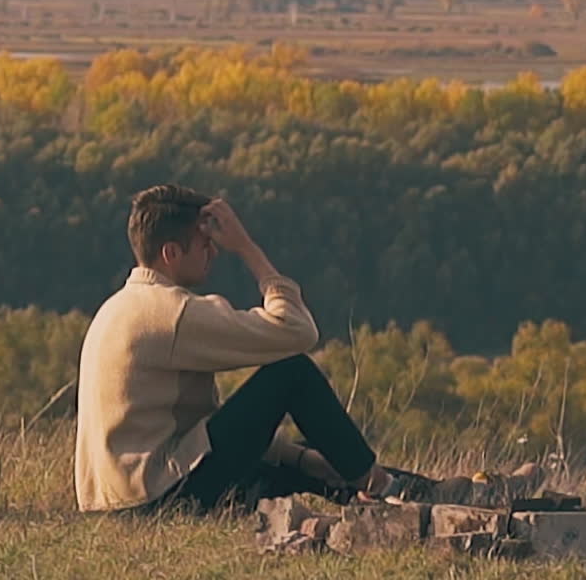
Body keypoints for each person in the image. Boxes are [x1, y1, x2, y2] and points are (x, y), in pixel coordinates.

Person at [75, 183, 398, 514]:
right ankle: (383, 488)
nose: (214, 252)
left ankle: (401, 493)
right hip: (157, 497)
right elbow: (298, 331)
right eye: (205, 244)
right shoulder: (172, 313)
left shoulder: (116, 309)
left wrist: (302, 459)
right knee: (292, 374)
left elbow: (196, 430)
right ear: (171, 253)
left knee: (302, 458)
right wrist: (246, 248)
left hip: (119, 500)